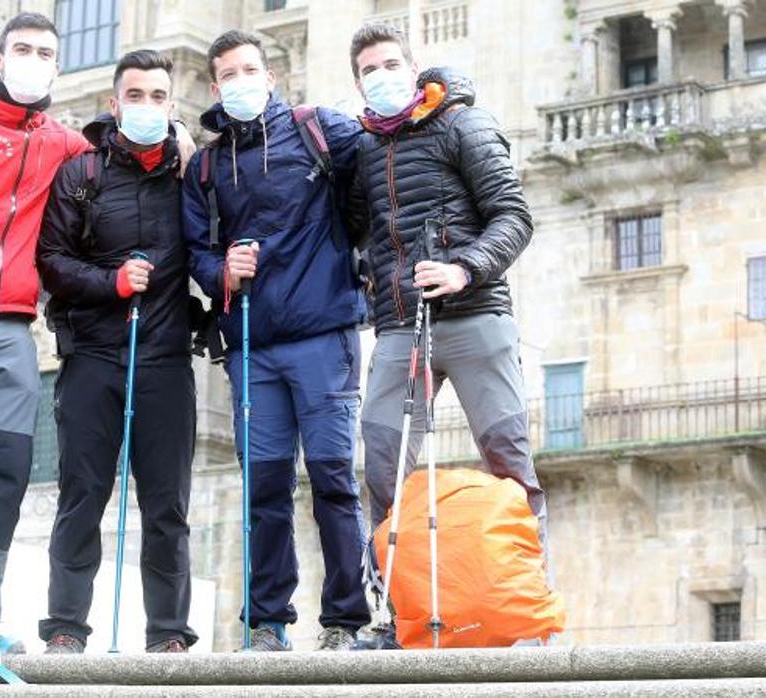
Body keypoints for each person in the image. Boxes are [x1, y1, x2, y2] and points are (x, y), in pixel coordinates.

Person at [0, 12, 194, 650]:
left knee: (5, 473)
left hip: (12, 329)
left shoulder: (64, 145)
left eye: (45, 52)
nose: (33, 60)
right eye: (21, 49)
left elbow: (120, 154)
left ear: (56, 65)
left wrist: (180, 135)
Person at [346, 23, 547, 626]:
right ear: (357, 81)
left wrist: (465, 268)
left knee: (509, 462)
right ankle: (393, 616)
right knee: (381, 466)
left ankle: (526, 613)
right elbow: (358, 232)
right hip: (401, 328)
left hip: (477, 316)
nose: (380, 76)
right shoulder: (362, 150)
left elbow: (514, 216)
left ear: (413, 68)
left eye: (389, 64)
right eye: (367, 71)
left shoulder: (465, 124)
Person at [181, 30, 369, 652]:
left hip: (324, 338)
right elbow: (194, 253)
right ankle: (266, 624)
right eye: (228, 74)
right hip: (250, 348)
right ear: (214, 87)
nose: (241, 82)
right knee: (264, 489)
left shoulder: (320, 129)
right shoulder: (204, 166)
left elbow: (382, 157)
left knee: (334, 482)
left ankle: (345, 622)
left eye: (250, 70)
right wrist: (220, 273)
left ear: (271, 74)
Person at [35, 49, 198, 655]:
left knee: (166, 506)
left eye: (158, 97)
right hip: (93, 357)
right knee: (81, 496)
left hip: (164, 357)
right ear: (115, 103)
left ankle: (168, 636)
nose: (147, 106)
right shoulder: (80, 173)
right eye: (136, 96)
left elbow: (208, 248)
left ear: (172, 106)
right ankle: (64, 629)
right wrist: (111, 283)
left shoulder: (191, 174)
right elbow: (51, 260)